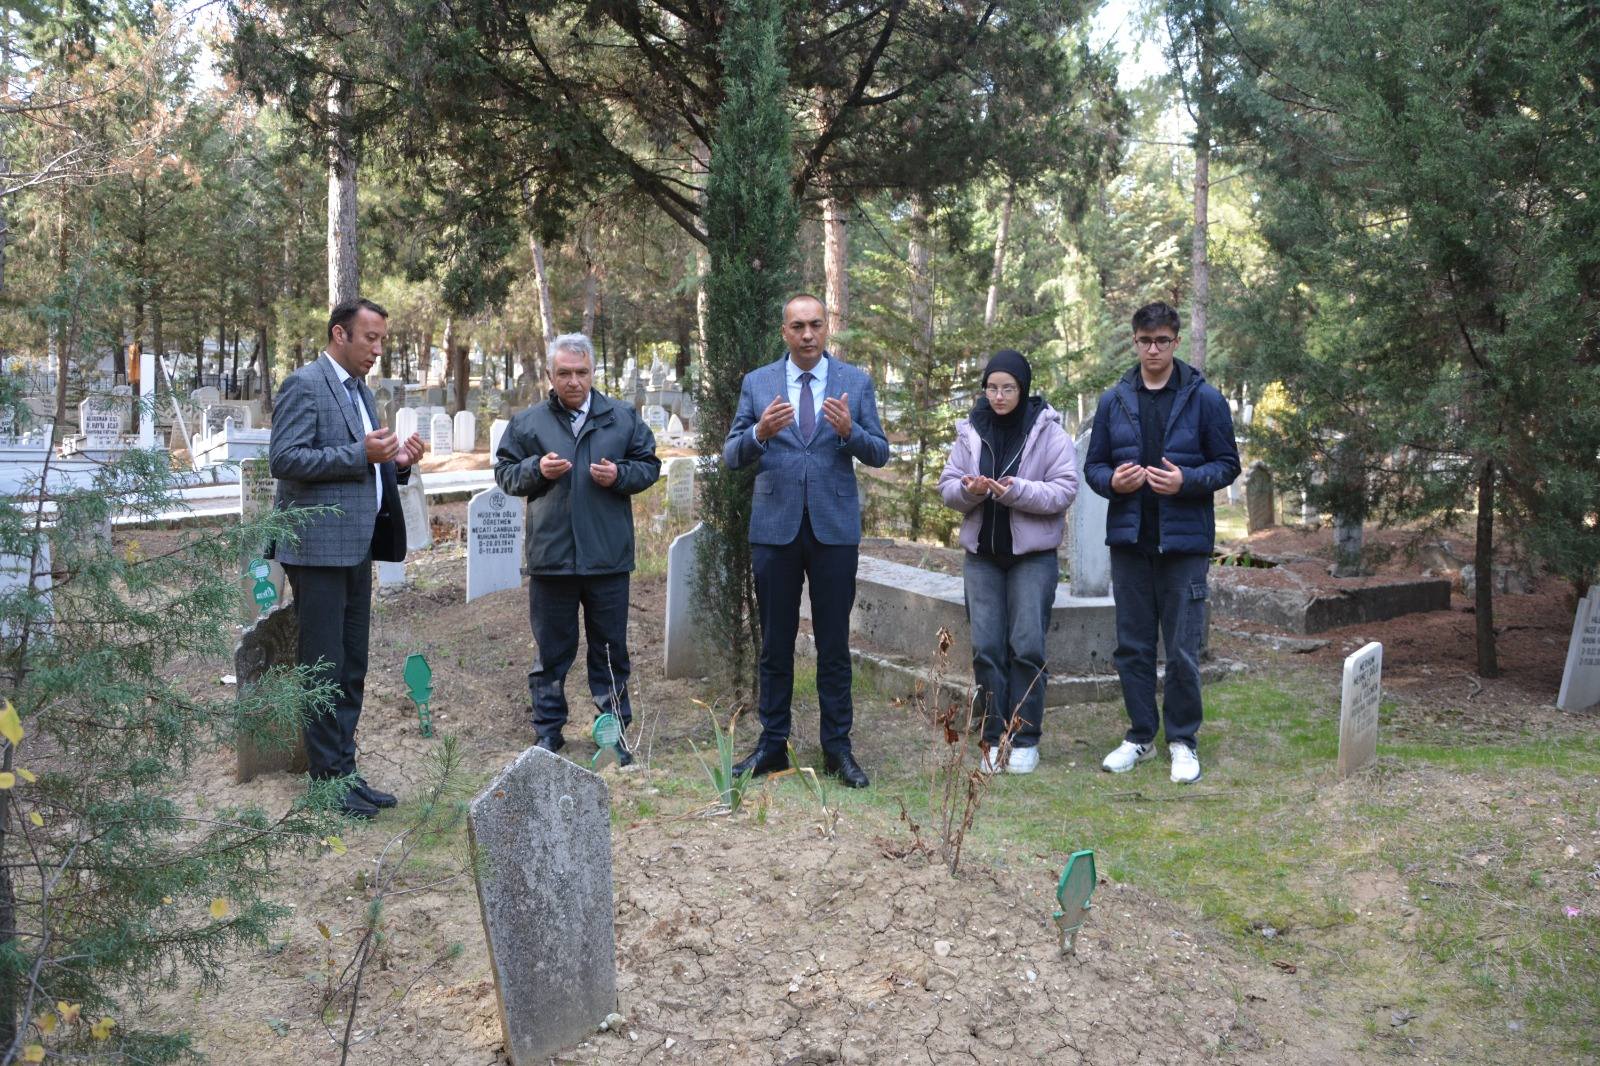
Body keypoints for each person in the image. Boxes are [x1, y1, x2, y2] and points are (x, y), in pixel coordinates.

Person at [722, 294, 890, 788]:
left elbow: (879, 451)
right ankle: (772, 745)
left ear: (827, 327)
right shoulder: (759, 383)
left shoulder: (855, 382)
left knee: (834, 645)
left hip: (833, 532)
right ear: (785, 332)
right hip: (775, 532)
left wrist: (850, 432)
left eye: (816, 325)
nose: (808, 335)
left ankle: (837, 748)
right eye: (798, 326)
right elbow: (732, 455)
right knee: (775, 645)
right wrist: (758, 432)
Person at [269, 297, 425, 819]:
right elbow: (285, 459)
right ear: (340, 335)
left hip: (355, 548)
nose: (378, 350)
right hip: (316, 552)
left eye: (382, 339)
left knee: (351, 666)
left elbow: (367, 463)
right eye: (371, 339)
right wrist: (361, 454)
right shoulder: (305, 385)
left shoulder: (359, 391)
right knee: (324, 667)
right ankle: (325, 781)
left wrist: (396, 464)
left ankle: (345, 771)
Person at [1084, 302, 1240, 783]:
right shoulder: (1115, 400)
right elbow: (1093, 468)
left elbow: (1227, 464)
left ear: (1175, 342)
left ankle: (1182, 741)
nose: (1154, 349)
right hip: (1130, 543)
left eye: (1163, 341)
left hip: (1185, 546)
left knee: (1182, 648)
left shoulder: (1205, 399)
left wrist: (1186, 481)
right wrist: (1116, 483)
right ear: (1135, 342)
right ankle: (1139, 736)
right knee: (1131, 647)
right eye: (1145, 341)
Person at [494, 333, 660, 764]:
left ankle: (615, 732)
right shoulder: (529, 423)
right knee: (551, 651)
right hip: (552, 559)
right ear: (550, 375)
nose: (573, 381)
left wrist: (619, 475)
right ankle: (549, 733)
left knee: (610, 651)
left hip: (606, 557)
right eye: (564, 373)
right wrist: (537, 469)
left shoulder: (621, 417)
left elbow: (649, 465)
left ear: (592, 373)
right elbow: (506, 475)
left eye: (581, 372)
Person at [938, 350, 1077, 774]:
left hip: (1031, 559)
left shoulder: (1048, 431)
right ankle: (991, 737)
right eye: (992, 388)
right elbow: (948, 487)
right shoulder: (970, 430)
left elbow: (1064, 489)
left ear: (1023, 389)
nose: (999, 396)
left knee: (1027, 646)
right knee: (987, 648)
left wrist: (1013, 491)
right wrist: (973, 489)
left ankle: (1025, 738)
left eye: (1008, 388)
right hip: (982, 557)